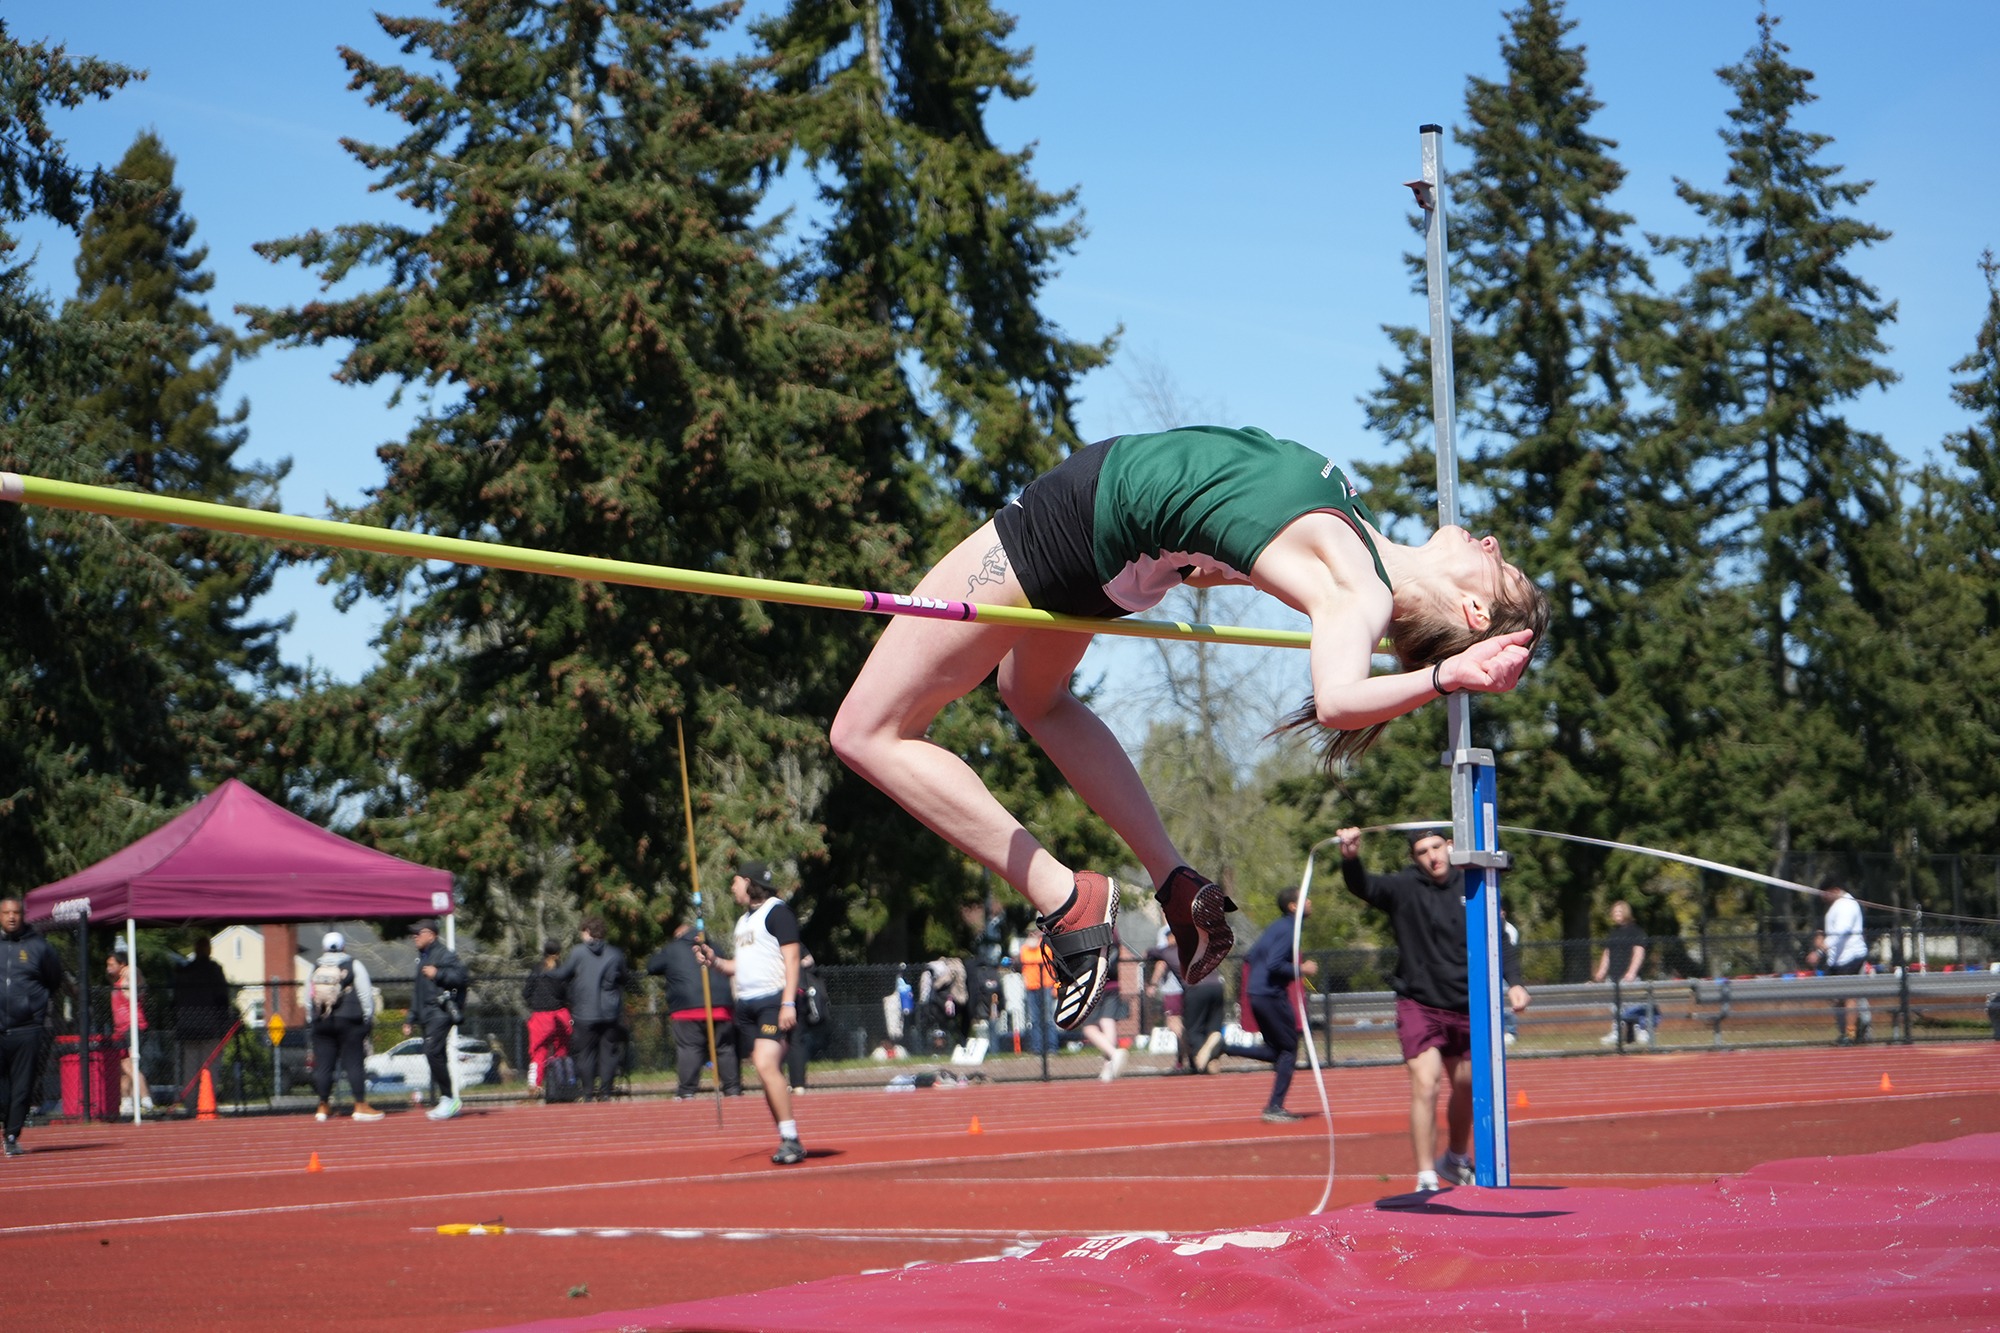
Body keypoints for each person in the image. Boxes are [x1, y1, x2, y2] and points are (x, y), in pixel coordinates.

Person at [831, 425, 1546, 1036]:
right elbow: (1235, 518)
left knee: (866, 731)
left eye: (1501, 565)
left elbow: (1337, 697)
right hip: (1111, 547)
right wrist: (1196, 561)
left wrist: (1444, 678)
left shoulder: (1359, 588)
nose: (1489, 540)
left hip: (1077, 518)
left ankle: (1064, 897)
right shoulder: (1358, 543)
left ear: (1476, 613)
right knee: (1033, 697)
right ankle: (1174, 881)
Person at [1337, 826, 1531, 1192]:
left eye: (1437, 847)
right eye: (1423, 851)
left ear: (1451, 846)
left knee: (1468, 1084)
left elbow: (1500, 937)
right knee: (1426, 1083)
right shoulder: (1404, 888)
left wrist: (1515, 982)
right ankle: (1426, 1176)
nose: (1432, 856)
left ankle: (1454, 1159)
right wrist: (1350, 858)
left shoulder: (1474, 884)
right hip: (1420, 1003)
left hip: (1467, 1005)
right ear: (1415, 858)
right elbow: (1363, 885)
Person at [693, 861, 806, 1166]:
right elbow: (737, 967)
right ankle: (786, 1134)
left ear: (748, 882)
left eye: (735, 882)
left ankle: (791, 1139)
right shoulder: (743, 922)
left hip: (773, 1001)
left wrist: (788, 1003)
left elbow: (792, 958)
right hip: (748, 1006)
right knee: (764, 1070)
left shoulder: (777, 912)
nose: (731, 888)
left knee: (764, 1061)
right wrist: (714, 960)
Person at [1243, 886, 1318, 1122]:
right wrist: (1301, 969)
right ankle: (1274, 1107)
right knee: (1288, 1050)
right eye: (1305, 899)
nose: (1310, 902)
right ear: (1293, 906)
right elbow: (1275, 964)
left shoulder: (1278, 927)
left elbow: (1251, 955)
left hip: (1258, 993)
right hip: (1270, 996)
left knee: (1277, 1051)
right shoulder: (1288, 929)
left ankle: (1223, 1047)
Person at [646, 921, 741, 1100]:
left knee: (690, 1048)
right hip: (721, 1006)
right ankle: (733, 1089)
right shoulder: (715, 947)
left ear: (679, 935)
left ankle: (687, 1091)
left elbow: (652, 966)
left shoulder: (673, 948)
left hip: (687, 1008)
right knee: (724, 1048)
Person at [1, 897, 66, 1156]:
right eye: (6, 913)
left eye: (16, 913)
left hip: (27, 1027)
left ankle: (12, 1135)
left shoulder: (39, 946)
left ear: (23, 915)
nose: (11, 917)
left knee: (22, 1085)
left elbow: (54, 979)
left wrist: (32, 1005)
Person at [307, 932, 384, 1122]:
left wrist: (313, 1019)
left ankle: (323, 1106)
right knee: (354, 1063)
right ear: (343, 947)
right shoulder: (353, 965)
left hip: (322, 1022)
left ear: (324, 948)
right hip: (350, 1020)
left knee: (324, 1066)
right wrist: (367, 1018)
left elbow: (307, 997)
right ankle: (359, 1105)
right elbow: (366, 995)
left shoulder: (315, 967)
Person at [552, 916, 628, 1101]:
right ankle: (606, 1092)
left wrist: (550, 971)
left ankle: (587, 1092)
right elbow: (625, 977)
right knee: (608, 1053)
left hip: (584, 1011)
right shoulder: (616, 953)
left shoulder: (578, 952)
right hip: (610, 1012)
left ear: (586, 932)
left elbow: (562, 974)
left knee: (586, 1054)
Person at [404, 919, 470, 1121]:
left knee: (432, 1051)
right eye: (413, 933)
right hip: (426, 1014)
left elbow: (462, 977)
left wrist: (438, 973)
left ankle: (450, 1098)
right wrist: (410, 1018)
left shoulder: (444, 954)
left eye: (419, 933)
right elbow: (418, 992)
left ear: (431, 935)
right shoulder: (422, 958)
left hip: (440, 1012)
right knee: (436, 1054)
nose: (415, 936)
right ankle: (447, 1099)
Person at [171, 937, 233, 1105]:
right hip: (209, 1025)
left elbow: (174, 1000)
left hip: (188, 1023)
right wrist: (224, 1021)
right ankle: (206, 1102)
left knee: (190, 1068)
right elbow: (222, 998)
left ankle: (192, 1103)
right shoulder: (213, 970)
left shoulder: (185, 971)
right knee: (210, 1066)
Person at [1593, 901, 1653, 1045]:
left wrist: (1632, 972)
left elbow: (1639, 952)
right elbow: (1607, 953)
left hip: (1629, 977)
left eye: (1619, 912)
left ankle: (1641, 1032)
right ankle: (1617, 1032)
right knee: (1616, 1007)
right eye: (1614, 912)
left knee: (1633, 1006)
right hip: (1613, 976)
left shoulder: (1636, 931)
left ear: (1626, 912)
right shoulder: (1613, 933)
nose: (1616, 915)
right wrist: (1601, 971)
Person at [1816, 877, 1868, 1043]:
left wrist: (1819, 950)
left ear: (1835, 890)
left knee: (1849, 996)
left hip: (1851, 957)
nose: (1823, 898)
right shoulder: (1835, 906)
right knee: (1836, 998)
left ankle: (1852, 1033)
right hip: (1837, 960)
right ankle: (1852, 1028)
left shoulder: (1846, 904)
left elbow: (1841, 932)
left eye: (1825, 894)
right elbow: (1830, 930)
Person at [521, 940, 572, 1095]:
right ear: (558, 953)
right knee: (561, 1050)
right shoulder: (561, 970)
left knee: (538, 1052)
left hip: (540, 1016)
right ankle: (562, 1083)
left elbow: (526, 992)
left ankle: (534, 1084)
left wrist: (534, 1003)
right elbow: (567, 992)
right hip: (559, 1013)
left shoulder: (536, 969)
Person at [107, 946, 152, 1116]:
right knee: (123, 1067)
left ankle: (145, 1098)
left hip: (134, 1027)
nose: (109, 968)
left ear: (122, 964)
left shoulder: (129, 979)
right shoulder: (117, 982)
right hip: (121, 1030)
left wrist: (132, 969)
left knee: (130, 1064)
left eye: (112, 964)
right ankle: (127, 1101)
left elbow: (139, 978)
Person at [1144, 925, 1188, 1071]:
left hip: (1173, 990)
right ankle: (1181, 1061)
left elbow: (1161, 964)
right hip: (1188, 989)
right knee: (1181, 1024)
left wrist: (1153, 984)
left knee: (1173, 1023)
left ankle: (1191, 1047)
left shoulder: (1170, 948)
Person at [1016, 921, 1058, 1055]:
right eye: (1030, 932)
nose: (1032, 934)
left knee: (1048, 1018)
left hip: (1045, 985)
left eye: (1034, 932)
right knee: (1035, 1019)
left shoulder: (1045, 947)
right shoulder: (1024, 949)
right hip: (1031, 987)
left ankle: (1051, 1047)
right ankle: (1037, 1048)